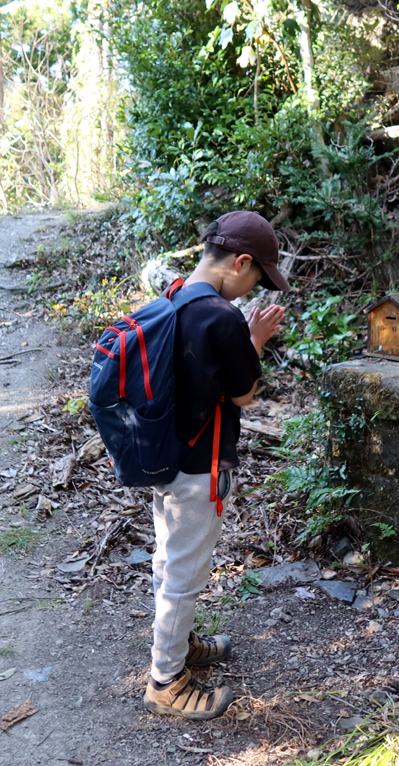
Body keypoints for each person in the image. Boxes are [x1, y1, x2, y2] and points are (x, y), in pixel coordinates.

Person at [143, 211, 289, 720]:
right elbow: (244, 394)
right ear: (240, 262)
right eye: (257, 278)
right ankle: (166, 681)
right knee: (186, 570)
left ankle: (178, 649)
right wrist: (254, 340)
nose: (253, 289)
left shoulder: (176, 295)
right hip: (200, 465)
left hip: (162, 457)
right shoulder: (223, 317)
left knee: (168, 558)